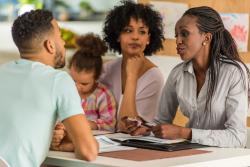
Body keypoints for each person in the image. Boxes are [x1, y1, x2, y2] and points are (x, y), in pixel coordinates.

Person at [128, 6, 250, 148]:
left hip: (225, 157)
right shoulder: (177, 73)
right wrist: (145, 128)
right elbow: (161, 121)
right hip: (190, 153)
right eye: (176, 35)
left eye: (184, 34)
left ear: (206, 37)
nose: (178, 41)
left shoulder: (233, 72)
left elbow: (237, 137)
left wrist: (185, 133)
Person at [0, 10, 98, 166]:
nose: (64, 42)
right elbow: (88, 151)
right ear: (50, 45)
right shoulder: (59, 80)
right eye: (60, 36)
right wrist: (70, 144)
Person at [100, 0, 165, 131]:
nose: (135, 37)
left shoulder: (154, 77)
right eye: (128, 30)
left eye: (142, 32)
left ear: (148, 39)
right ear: (118, 36)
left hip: (133, 148)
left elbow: (126, 128)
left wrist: (132, 77)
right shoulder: (106, 70)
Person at [61, 33, 116, 132]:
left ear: (97, 77)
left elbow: (110, 124)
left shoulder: (103, 95)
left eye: (84, 84)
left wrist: (89, 124)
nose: (77, 87)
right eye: (73, 80)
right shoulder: (64, 89)